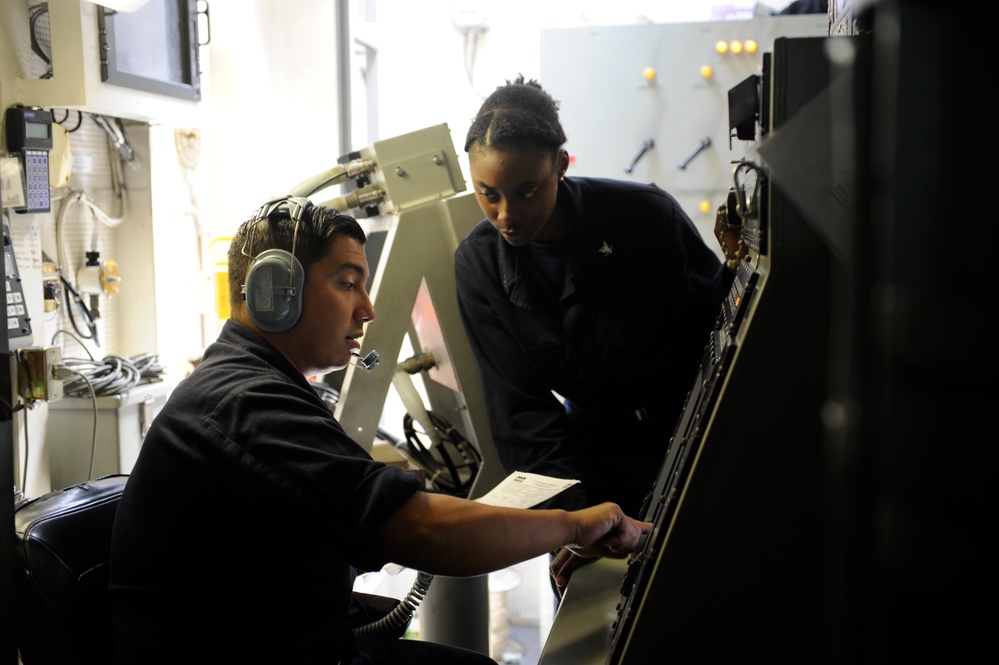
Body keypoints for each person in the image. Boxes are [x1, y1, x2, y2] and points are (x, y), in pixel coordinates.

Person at [108, 197, 651, 664]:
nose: (367, 309)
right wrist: (575, 527)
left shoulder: (252, 384)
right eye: (348, 284)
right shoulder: (244, 403)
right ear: (276, 290)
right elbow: (424, 534)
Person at [455, 76, 745, 588]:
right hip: (593, 460)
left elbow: (721, 328)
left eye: (526, 192)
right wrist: (575, 521)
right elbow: (521, 413)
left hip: (695, 428)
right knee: (593, 609)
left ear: (562, 167)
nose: (507, 214)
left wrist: (735, 267)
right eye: (488, 194)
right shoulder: (479, 264)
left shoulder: (644, 217)